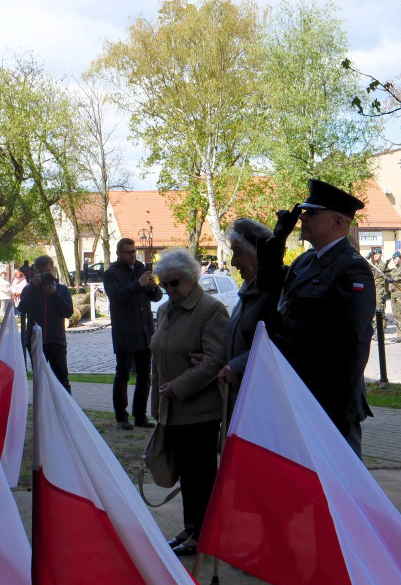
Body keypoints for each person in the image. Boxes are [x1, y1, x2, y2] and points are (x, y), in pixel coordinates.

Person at [258, 178, 375, 457]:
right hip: (299, 390)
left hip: (330, 398)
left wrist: (343, 404)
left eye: (312, 213)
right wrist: (278, 238)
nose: (303, 219)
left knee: (338, 485)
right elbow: (268, 284)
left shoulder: (351, 269)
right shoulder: (306, 261)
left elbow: (356, 340)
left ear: (337, 222)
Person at [149, 248, 228, 557]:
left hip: (199, 410)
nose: (169, 290)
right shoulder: (165, 311)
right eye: (164, 283)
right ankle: (191, 525)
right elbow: (158, 355)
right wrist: (158, 400)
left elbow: (214, 360)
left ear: (192, 280)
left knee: (201, 473)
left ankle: (203, 531)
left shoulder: (210, 309)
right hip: (171, 407)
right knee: (184, 472)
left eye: (175, 283)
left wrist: (177, 387)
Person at [102, 238, 161, 430]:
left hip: (144, 331)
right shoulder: (111, 273)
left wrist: (152, 286)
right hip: (125, 332)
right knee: (123, 375)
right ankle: (121, 417)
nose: (132, 255)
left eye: (134, 251)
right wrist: (138, 284)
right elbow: (116, 297)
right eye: (128, 252)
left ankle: (140, 415)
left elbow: (157, 297)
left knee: (145, 376)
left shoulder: (140, 268)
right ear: (118, 253)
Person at [217, 219, 273, 407]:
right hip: (241, 399)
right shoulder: (246, 291)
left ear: (260, 253)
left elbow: (277, 346)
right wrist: (218, 358)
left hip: (261, 404)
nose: (233, 262)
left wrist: (237, 365)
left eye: (238, 252)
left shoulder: (274, 293)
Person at [19, 255, 74, 393]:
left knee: (62, 380)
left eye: (48, 272)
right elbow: (22, 308)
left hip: (56, 340)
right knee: (39, 381)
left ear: (53, 270)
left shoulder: (61, 289)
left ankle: (64, 413)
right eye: (42, 272)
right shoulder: (29, 289)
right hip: (35, 341)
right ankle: (42, 413)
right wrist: (33, 287)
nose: (45, 275)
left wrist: (54, 294)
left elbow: (68, 312)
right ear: (36, 272)